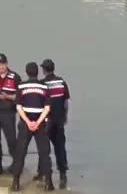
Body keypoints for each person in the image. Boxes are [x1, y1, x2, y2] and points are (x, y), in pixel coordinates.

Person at [12, 62, 55, 191]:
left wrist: (28, 121)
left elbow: (18, 107)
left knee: (20, 153)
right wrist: (37, 122)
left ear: (26, 72)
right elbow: (47, 108)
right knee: (44, 153)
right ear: (37, 72)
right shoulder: (44, 87)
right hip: (40, 124)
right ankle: (49, 183)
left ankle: (15, 183)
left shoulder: (21, 86)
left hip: (25, 124)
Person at [33, 59, 70, 189]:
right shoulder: (61, 82)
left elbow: (39, 103)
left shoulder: (42, 84)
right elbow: (65, 102)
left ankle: (41, 172)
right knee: (60, 148)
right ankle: (63, 175)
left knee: (44, 148)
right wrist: (64, 117)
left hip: (46, 121)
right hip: (59, 121)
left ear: (44, 70)